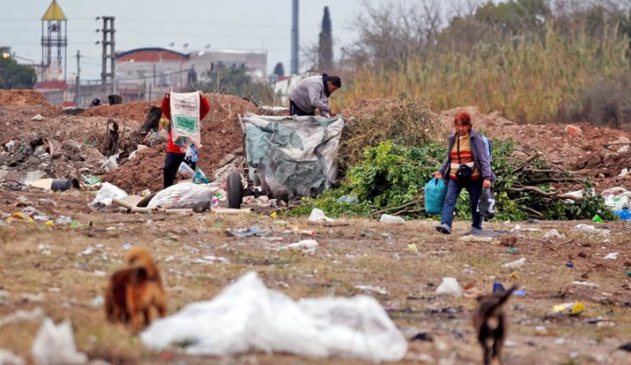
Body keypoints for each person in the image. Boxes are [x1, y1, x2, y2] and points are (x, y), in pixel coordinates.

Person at [433, 111, 496, 234]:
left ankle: (476, 227)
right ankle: (446, 224)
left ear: (468, 125)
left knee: (474, 202)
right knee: (449, 199)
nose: (460, 129)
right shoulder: (453, 139)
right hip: (454, 176)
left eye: (463, 126)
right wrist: (441, 172)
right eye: (458, 126)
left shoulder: (475, 139)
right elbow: (449, 158)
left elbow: (483, 159)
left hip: (473, 177)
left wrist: (487, 177)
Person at [160, 90, 210, 189]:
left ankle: (186, 195)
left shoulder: (194, 116)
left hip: (189, 150)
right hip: (174, 148)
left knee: (188, 175)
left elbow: (206, 109)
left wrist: (202, 97)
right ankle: (166, 192)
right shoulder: (174, 115)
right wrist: (167, 97)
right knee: (168, 169)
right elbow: (165, 108)